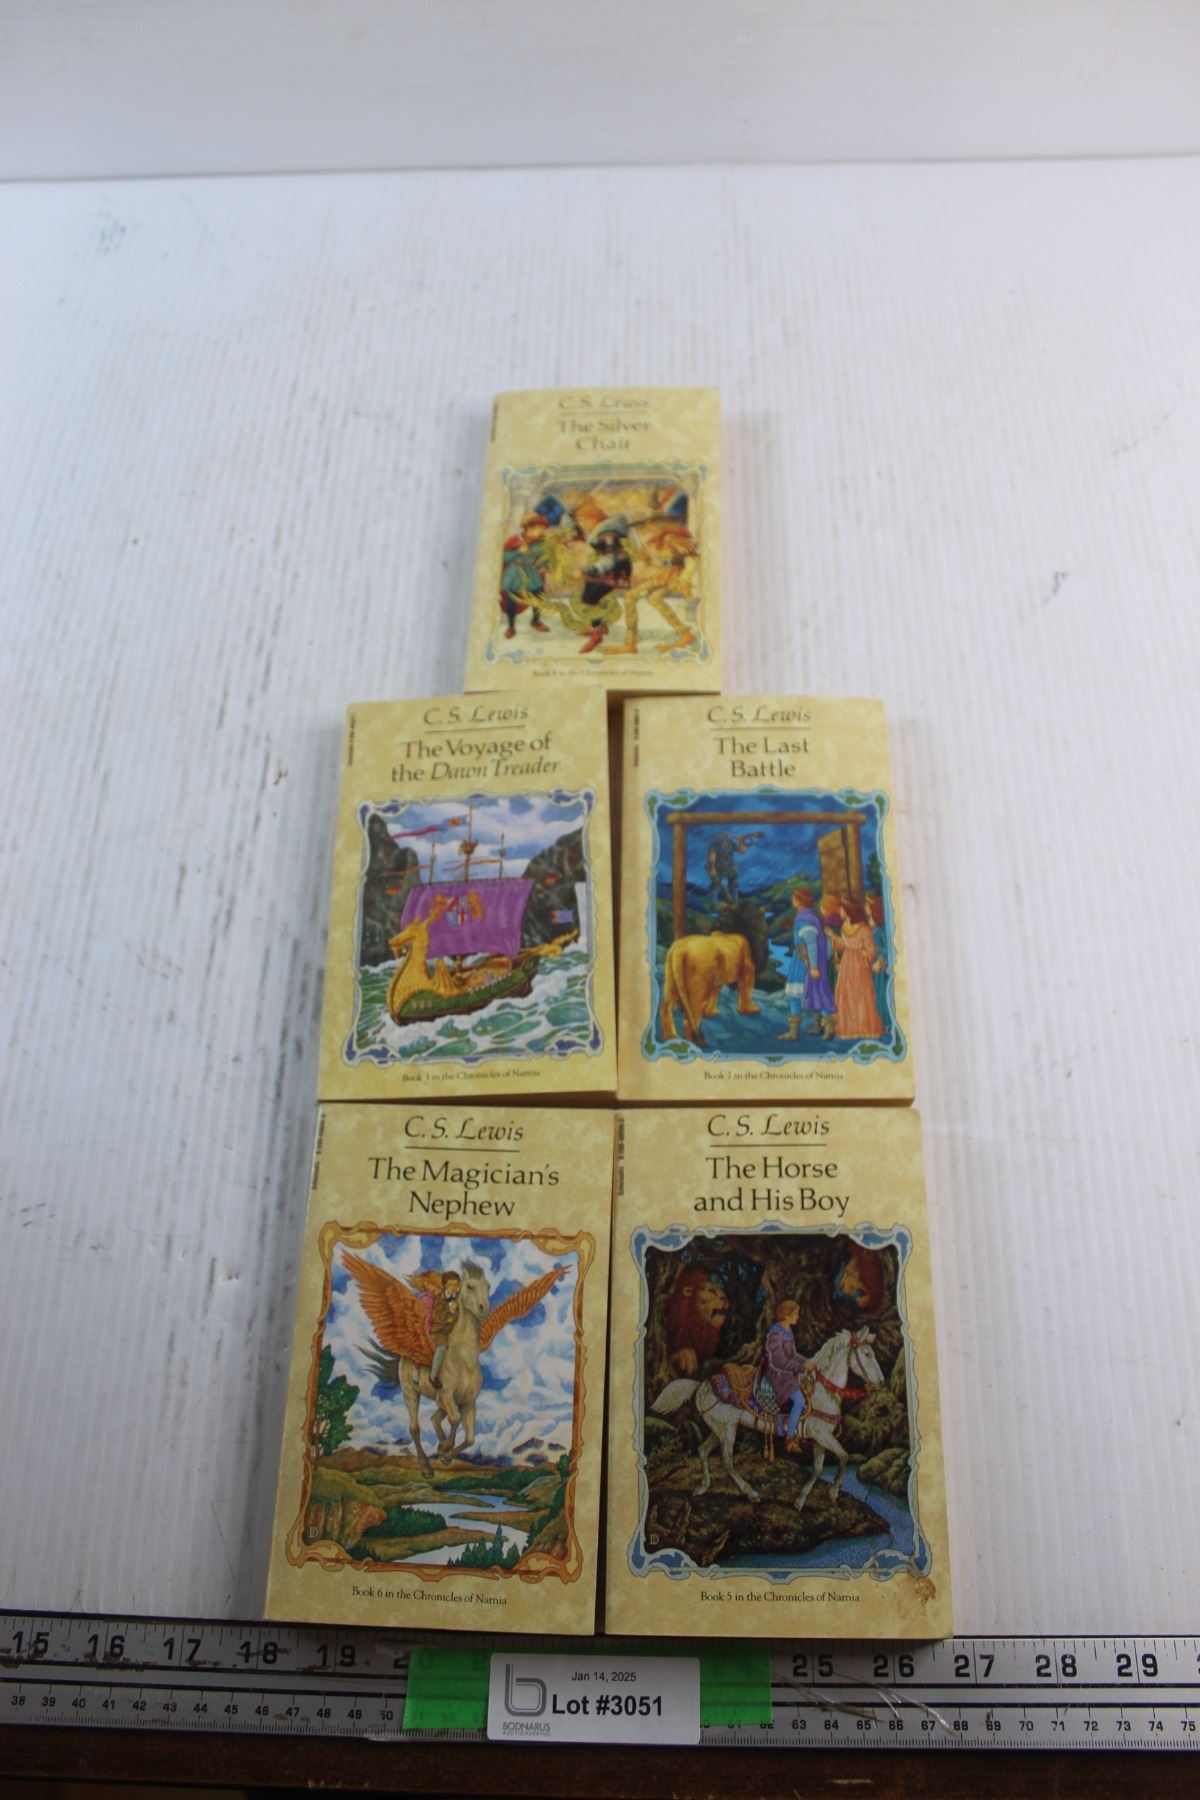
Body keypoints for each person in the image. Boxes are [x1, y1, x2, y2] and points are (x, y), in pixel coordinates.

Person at [780, 886, 835, 1041]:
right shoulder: (808, 916)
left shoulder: (805, 919)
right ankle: (820, 1027)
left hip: (805, 962)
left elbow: (811, 943)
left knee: (802, 994)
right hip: (802, 959)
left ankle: (797, 1032)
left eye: (794, 897)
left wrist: (814, 967)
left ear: (800, 900)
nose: (792, 900)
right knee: (811, 993)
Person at [827, 898, 884, 1039]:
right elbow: (843, 945)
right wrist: (835, 941)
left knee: (859, 995)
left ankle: (863, 1028)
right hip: (846, 963)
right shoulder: (845, 926)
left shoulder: (864, 929)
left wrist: (866, 952)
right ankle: (848, 1028)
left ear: (849, 911)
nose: (840, 912)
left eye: (842, 909)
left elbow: (871, 949)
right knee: (846, 994)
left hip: (859, 965)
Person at [760, 1299, 811, 1441]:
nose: (797, 1317)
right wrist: (802, 1366)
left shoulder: (788, 1331)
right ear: (787, 1315)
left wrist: (806, 1361)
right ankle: (790, 1436)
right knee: (800, 1401)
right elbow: (779, 1361)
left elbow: (792, 1355)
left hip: (788, 1371)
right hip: (777, 1374)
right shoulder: (775, 1334)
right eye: (795, 1314)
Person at [499, 514, 552, 638]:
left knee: (539, 596)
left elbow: (543, 559)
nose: (542, 531)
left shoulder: (541, 543)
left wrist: (546, 566)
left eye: (543, 528)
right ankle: (511, 627)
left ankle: (536, 620)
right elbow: (504, 557)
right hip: (515, 573)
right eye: (539, 528)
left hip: (531, 572)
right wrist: (518, 551)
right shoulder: (515, 540)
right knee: (512, 599)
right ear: (529, 527)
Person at [424, 1271, 461, 1390]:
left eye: (456, 1285)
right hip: (440, 1331)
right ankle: (433, 1376)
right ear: (445, 1285)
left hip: (454, 1330)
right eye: (450, 1285)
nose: (453, 1288)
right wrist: (450, 1311)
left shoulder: (460, 1297)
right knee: (441, 1349)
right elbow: (436, 1316)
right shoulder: (440, 1298)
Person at [866, 893, 890, 1034]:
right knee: (872, 994)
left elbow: (887, 947)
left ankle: (885, 1024)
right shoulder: (872, 922)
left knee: (881, 994)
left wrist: (880, 960)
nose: (865, 907)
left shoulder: (882, 927)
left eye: (868, 905)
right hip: (871, 963)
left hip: (879, 967)